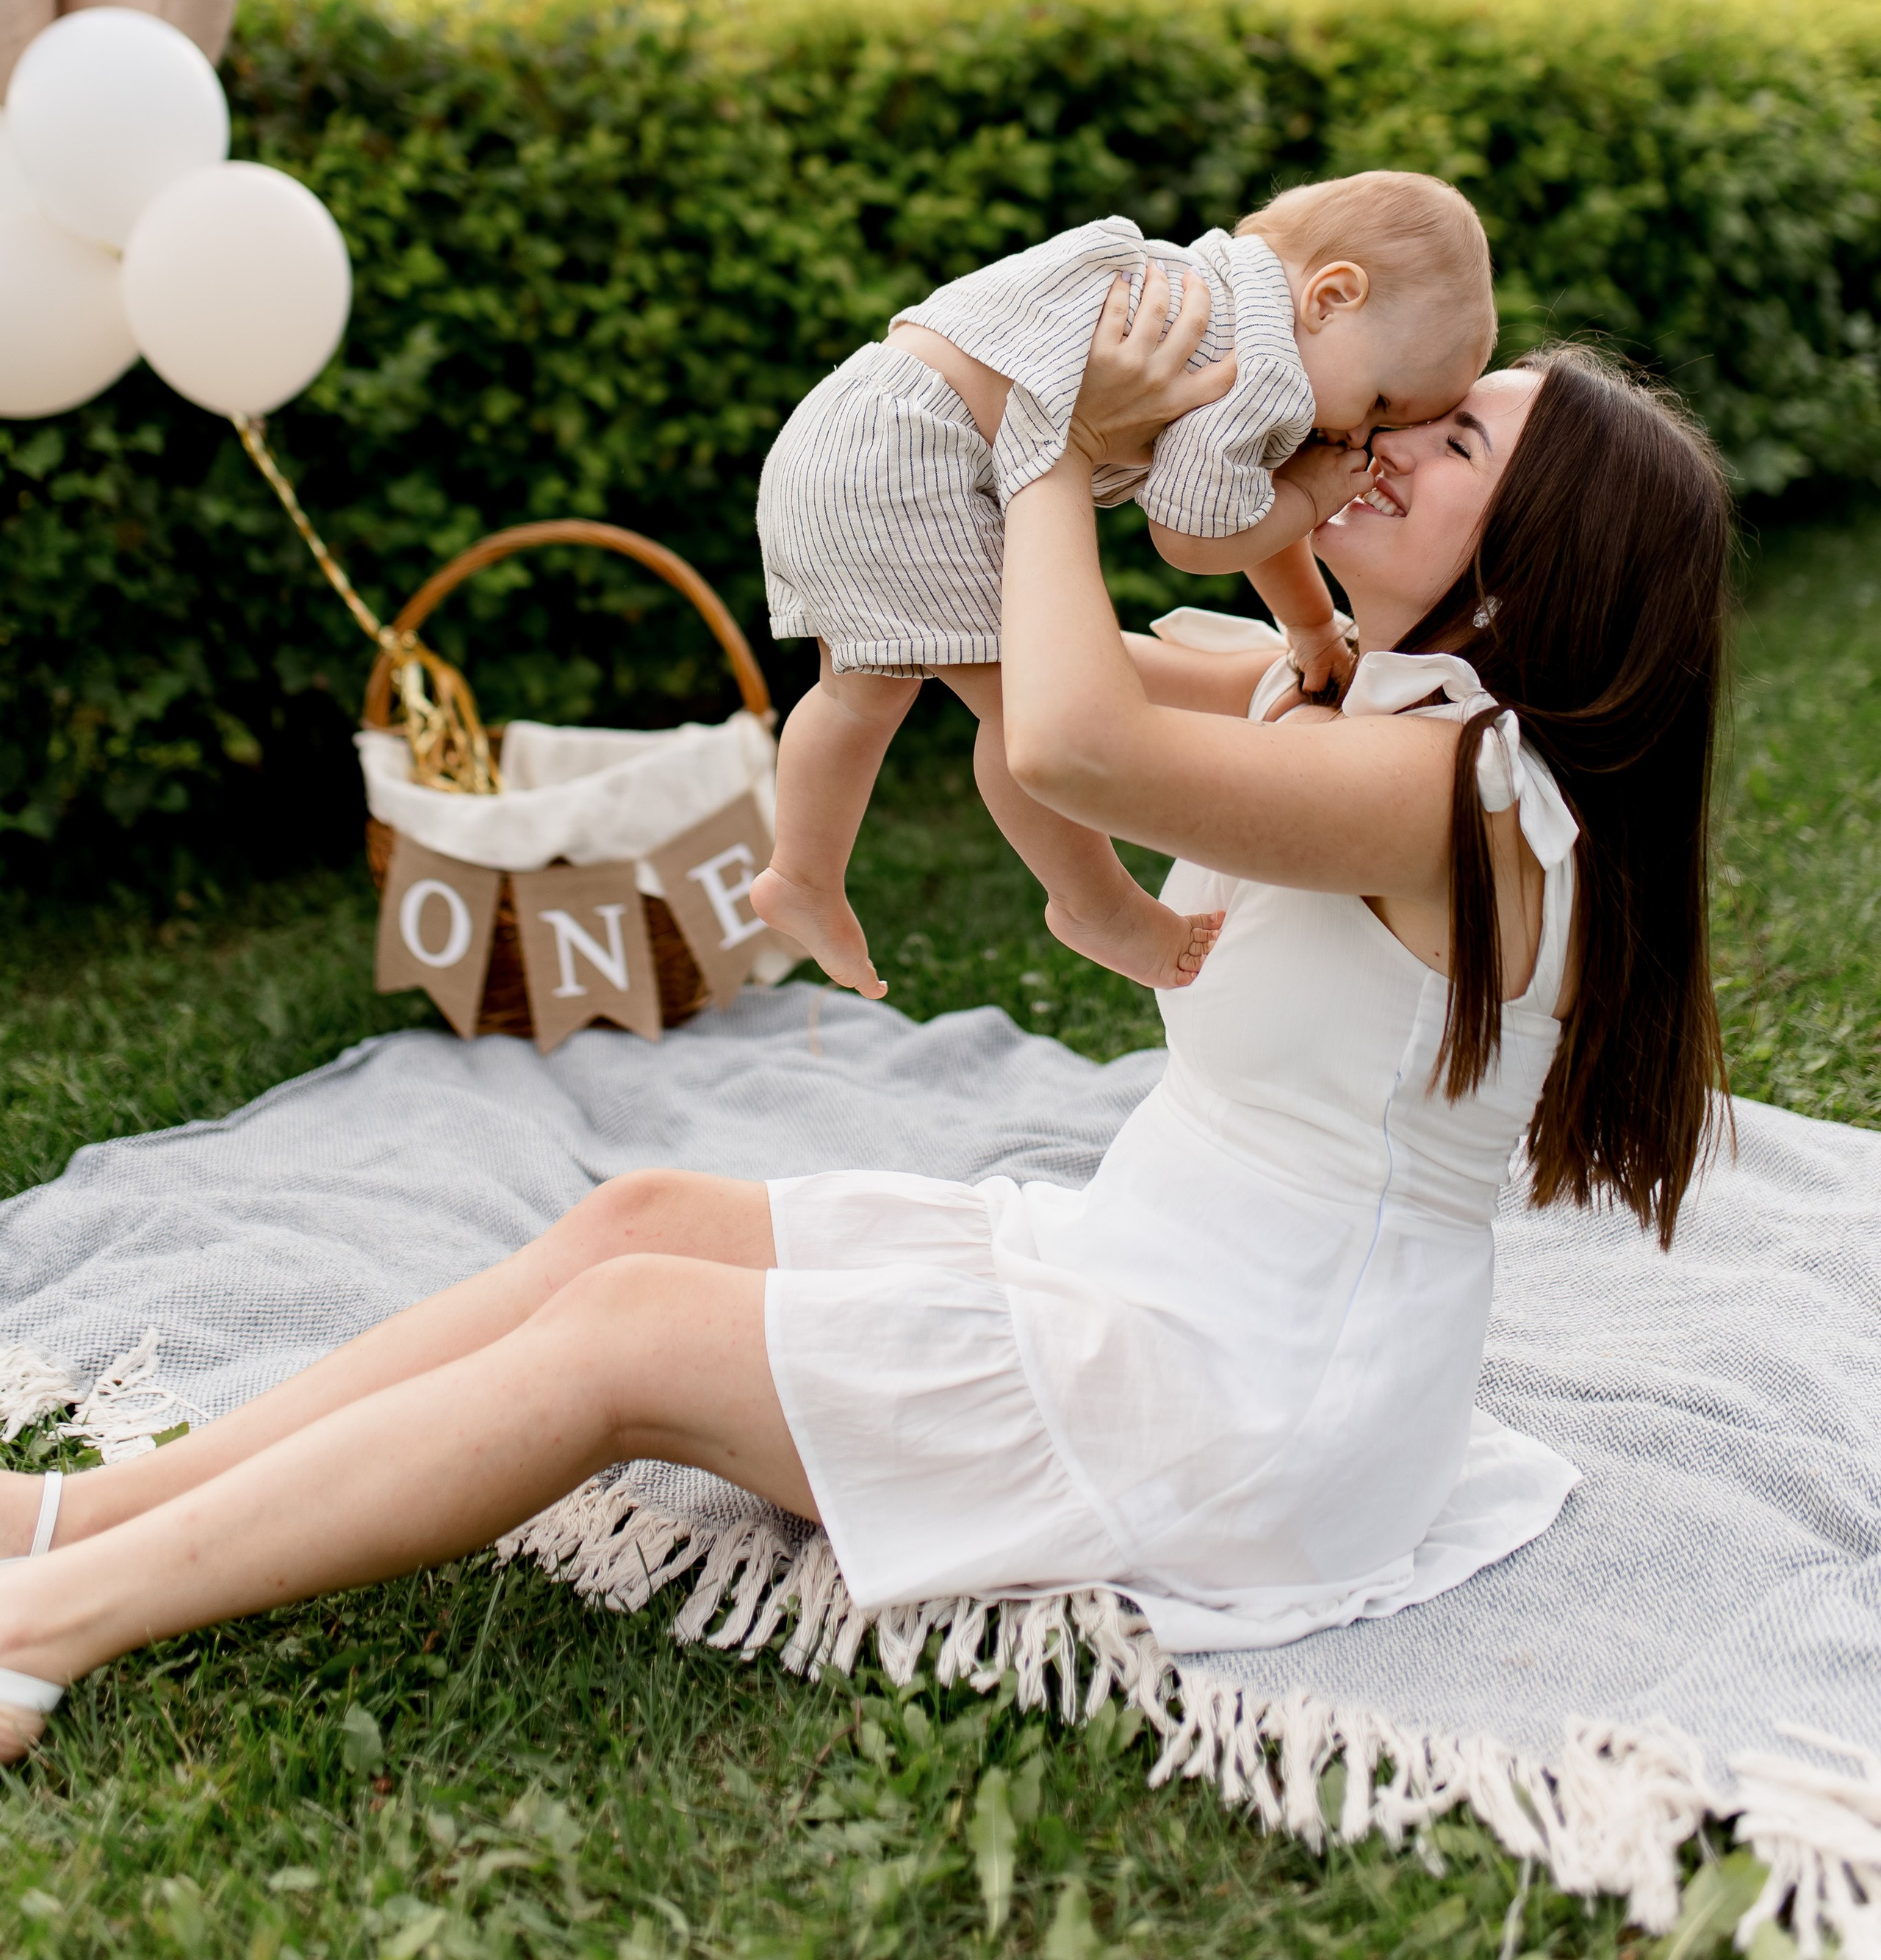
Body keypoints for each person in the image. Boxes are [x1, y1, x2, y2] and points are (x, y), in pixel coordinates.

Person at [0, 273, 1731, 1754]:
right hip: (1150, 1262)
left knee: (625, 1344)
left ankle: (51, 1624)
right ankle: (75, 1513)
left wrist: (1050, 435)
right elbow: (1025, 644)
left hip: (1251, 1399)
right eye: (1411, 406)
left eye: (1450, 446)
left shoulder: (1463, 792)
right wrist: (1036, 413)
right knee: (634, 1220)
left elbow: (1064, 739)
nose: (1387, 438)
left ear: (1543, 559)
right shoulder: (1346, 692)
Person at [752, 172, 1496, 999]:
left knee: (859, 693)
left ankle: (802, 872)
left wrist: (1313, 628)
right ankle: (1095, 906)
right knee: (1026, 708)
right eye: (1380, 401)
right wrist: (1313, 496)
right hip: (915, 460)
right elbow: (1193, 534)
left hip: (846, 427)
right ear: (1331, 296)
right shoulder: (1264, 363)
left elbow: (1244, 493)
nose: (1360, 434)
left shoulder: (1202, 286)